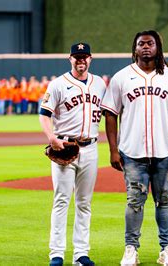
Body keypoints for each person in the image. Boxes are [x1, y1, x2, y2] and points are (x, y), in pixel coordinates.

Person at [101, 30, 168, 266]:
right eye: (141, 43)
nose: (145, 47)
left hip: (166, 151)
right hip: (132, 153)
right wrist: (113, 149)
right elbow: (110, 114)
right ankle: (131, 249)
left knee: (165, 202)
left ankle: (167, 249)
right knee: (134, 202)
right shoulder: (122, 77)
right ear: (134, 48)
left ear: (158, 47)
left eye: (150, 43)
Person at [39, 42, 106, 266]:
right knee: (61, 201)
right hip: (65, 147)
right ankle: (56, 254)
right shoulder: (58, 84)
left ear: (90, 59)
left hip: (91, 147)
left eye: (84, 56)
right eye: (77, 57)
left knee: (84, 203)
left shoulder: (99, 84)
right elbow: (44, 114)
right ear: (70, 59)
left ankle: (81, 254)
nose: (81, 60)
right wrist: (51, 138)